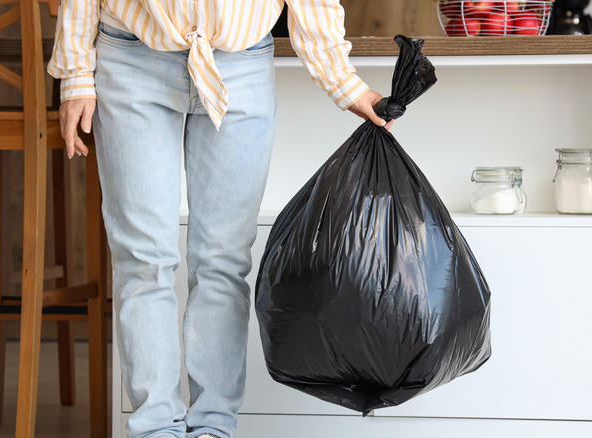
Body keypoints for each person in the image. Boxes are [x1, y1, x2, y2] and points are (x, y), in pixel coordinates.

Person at [48, 1, 392, 437]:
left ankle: (214, 426)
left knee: (223, 262)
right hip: (131, 60)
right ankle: (155, 428)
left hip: (241, 67)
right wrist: (76, 75)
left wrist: (345, 83)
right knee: (143, 259)